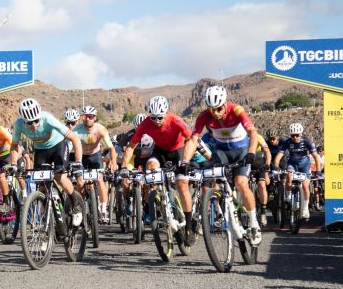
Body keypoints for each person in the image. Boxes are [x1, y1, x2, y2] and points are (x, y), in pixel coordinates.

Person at [182, 86, 262, 246]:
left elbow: (252, 131)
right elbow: (193, 140)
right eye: (212, 110)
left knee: (240, 183)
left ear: (225, 104)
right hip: (221, 152)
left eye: (219, 109)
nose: (216, 113)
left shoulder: (237, 110)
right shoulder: (204, 116)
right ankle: (222, 209)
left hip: (241, 150)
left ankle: (254, 223)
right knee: (210, 180)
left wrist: (252, 152)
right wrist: (184, 161)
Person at [121, 96, 196, 246]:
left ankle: (188, 226)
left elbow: (191, 139)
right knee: (151, 168)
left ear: (166, 112)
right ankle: (159, 199)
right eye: (153, 117)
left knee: (182, 184)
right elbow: (131, 146)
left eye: (160, 117)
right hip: (160, 151)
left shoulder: (175, 120)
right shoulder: (146, 124)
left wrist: (186, 160)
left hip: (178, 150)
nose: (156, 120)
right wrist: (123, 168)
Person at [11, 98, 84, 226]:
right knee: (42, 186)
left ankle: (75, 204)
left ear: (39, 116)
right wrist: (13, 164)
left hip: (58, 146)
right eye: (29, 123)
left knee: (59, 177)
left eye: (36, 121)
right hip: (41, 151)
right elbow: (14, 146)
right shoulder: (18, 125)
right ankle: (45, 225)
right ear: (23, 120)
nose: (33, 125)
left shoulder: (47, 118)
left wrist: (78, 161)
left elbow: (74, 138)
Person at [73, 105, 118, 223]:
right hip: (81, 157)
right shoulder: (76, 130)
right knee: (80, 181)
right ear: (82, 118)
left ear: (95, 118)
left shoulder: (100, 130)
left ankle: (103, 209)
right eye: (85, 116)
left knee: (100, 179)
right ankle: (79, 208)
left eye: (90, 116)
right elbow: (68, 147)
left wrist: (113, 162)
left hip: (95, 156)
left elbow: (111, 148)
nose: (87, 119)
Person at [273, 122, 322, 221]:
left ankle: (305, 209)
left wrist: (318, 170)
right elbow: (278, 156)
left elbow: (316, 156)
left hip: (305, 164)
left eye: (297, 135)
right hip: (292, 163)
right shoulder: (287, 142)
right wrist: (275, 167)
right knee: (289, 178)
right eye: (293, 136)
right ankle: (288, 197)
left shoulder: (307, 141)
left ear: (301, 134)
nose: (295, 137)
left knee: (305, 185)